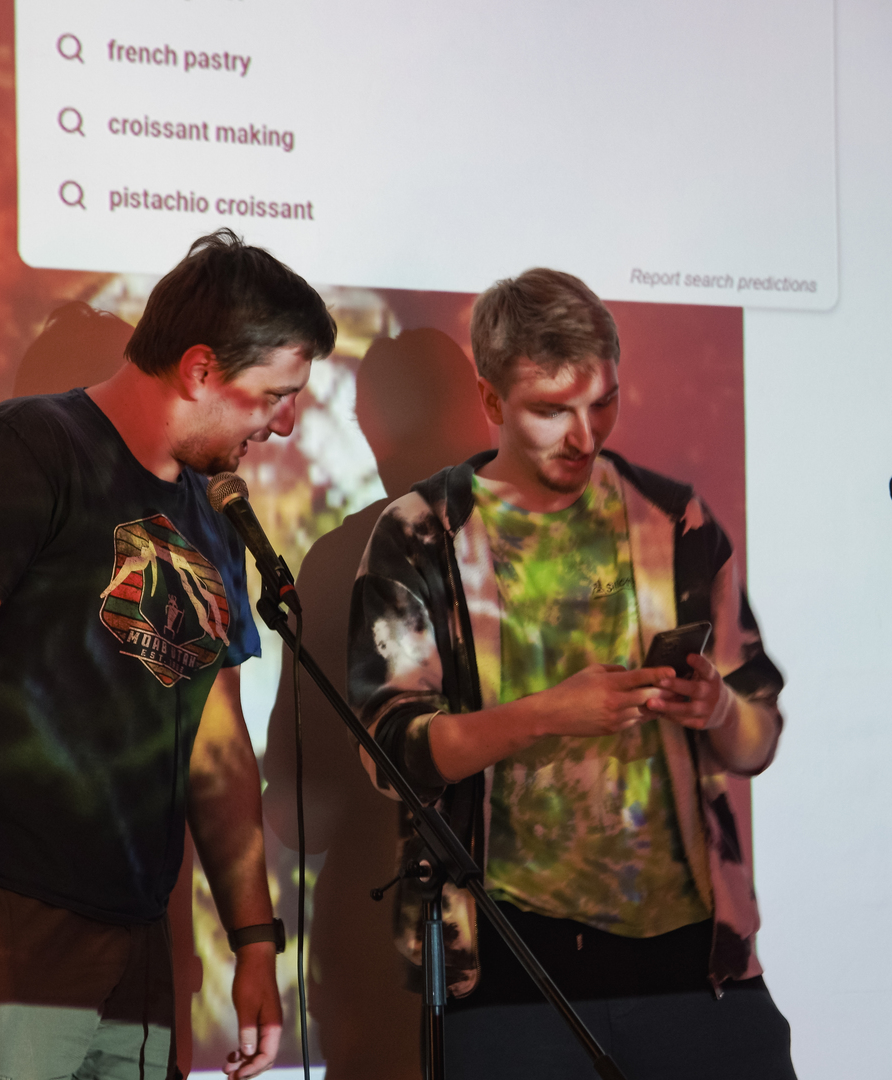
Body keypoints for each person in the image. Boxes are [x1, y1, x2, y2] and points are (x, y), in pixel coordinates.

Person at [0, 229, 336, 1080]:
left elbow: (216, 743)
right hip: (6, 904)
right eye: (276, 395)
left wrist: (255, 940)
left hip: (133, 930)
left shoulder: (212, 515)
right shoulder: (27, 447)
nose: (285, 422)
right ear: (201, 370)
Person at [347, 269, 794, 1079]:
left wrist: (719, 708)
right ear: (491, 401)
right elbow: (390, 754)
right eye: (552, 410)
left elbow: (759, 739)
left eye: (603, 403)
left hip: (697, 967)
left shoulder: (676, 520)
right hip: (512, 973)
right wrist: (548, 713)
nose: (584, 436)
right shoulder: (421, 534)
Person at [260, 328, 491, 1079]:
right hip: (542, 935)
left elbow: (298, 806)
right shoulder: (558, 551)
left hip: (378, 935)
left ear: (373, 430)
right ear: (480, 410)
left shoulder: (340, 560)